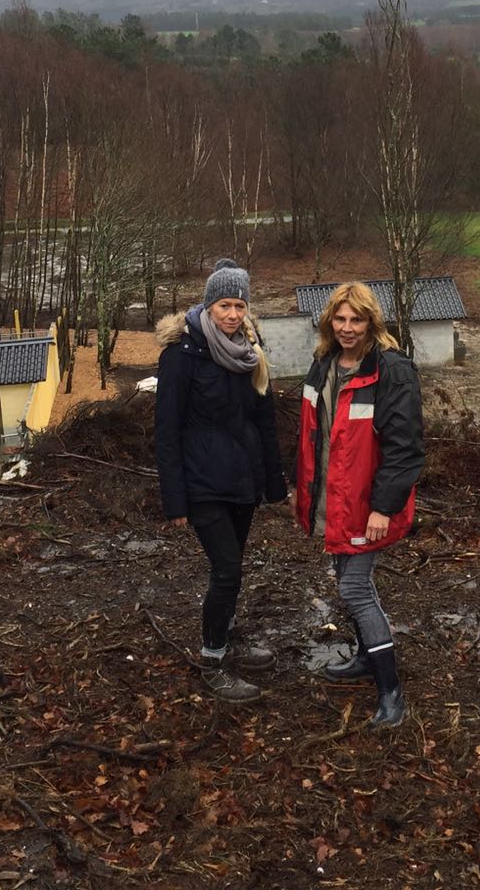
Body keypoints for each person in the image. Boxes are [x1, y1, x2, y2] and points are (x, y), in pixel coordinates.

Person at [155, 258, 288, 703]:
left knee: (233, 566)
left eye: (240, 306)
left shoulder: (250, 351)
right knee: (227, 569)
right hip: (202, 482)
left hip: (242, 481)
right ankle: (212, 660)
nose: (233, 314)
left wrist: (274, 483)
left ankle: (226, 637)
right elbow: (167, 431)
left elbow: (263, 421)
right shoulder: (182, 355)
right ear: (209, 305)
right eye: (225, 305)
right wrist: (175, 499)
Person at [294, 281, 424, 729]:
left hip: (367, 504)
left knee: (353, 589)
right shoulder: (323, 364)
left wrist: (382, 508)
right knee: (348, 580)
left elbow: (405, 448)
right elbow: (312, 436)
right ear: (329, 320)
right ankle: (369, 658)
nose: (347, 327)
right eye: (340, 318)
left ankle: (391, 691)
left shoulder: (392, 370)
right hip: (333, 499)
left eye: (357, 319)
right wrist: (302, 491)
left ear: (372, 322)